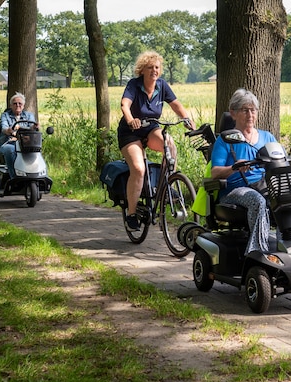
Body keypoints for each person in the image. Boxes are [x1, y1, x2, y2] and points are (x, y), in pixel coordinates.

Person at [118, 51, 194, 231]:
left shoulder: (162, 85)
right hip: (130, 132)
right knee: (138, 168)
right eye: (150, 67)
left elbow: (175, 104)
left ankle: (166, 184)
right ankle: (131, 214)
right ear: (142, 70)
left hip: (151, 128)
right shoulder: (134, 85)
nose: (154, 70)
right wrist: (131, 120)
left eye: (157, 67)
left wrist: (186, 119)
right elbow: (125, 104)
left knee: (169, 145)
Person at [210, 88, 277, 255]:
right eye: (245, 110)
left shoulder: (267, 137)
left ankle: (288, 247)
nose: (250, 115)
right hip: (234, 190)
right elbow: (215, 172)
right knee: (257, 200)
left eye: (253, 110)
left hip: (262, 185)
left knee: (287, 198)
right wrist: (234, 167)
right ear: (233, 113)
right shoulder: (225, 140)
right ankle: (257, 252)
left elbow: (280, 161)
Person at [0, 92, 37, 183]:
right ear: (11, 105)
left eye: (20, 103)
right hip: (8, 142)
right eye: (15, 103)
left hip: (25, 143)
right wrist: (10, 130)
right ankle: (14, 178)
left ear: (23, 105)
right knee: (9, 150)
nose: (17, 105)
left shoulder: (29, 115)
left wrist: (35, 127)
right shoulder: (5, 115)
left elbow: (32, 127)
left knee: (36, 149)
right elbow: (4, 128)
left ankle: (34, 175)